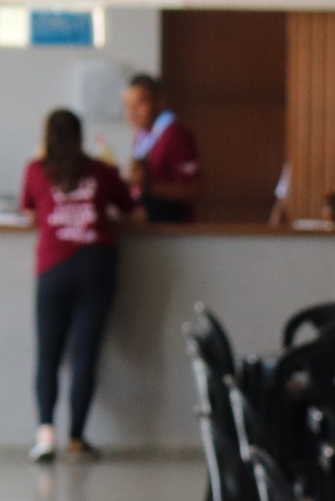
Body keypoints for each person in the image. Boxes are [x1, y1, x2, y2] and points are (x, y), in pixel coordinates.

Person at [20, 109, 135, 465]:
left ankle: (45, 436)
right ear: (81, 135)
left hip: (53, 267)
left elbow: (28, 212)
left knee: (48, 355)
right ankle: (77, 439)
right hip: (96, 264)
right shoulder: (103, 170)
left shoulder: (36, 170)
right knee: (85, 353)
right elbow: (130, 206)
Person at [122, 73, 200, 224]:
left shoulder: (173, 134)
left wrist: (149, 187)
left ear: (159, 102)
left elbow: (195, 190)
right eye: (127, 105)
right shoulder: (141, 134)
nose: (131, 112)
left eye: (139, 104)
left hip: (171, 226)